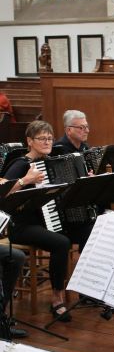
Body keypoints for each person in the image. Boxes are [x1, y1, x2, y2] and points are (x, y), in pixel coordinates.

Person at [4, 121, 74, 322]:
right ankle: (57, 300)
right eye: (42, 138)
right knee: (61, 243)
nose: (47, 142)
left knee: (77, 232)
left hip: (43, 222)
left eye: (50, 138)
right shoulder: (20, 164)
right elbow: (4, 191)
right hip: (21, 226)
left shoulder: (50, 161)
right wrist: (26, 180)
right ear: (29, 141)